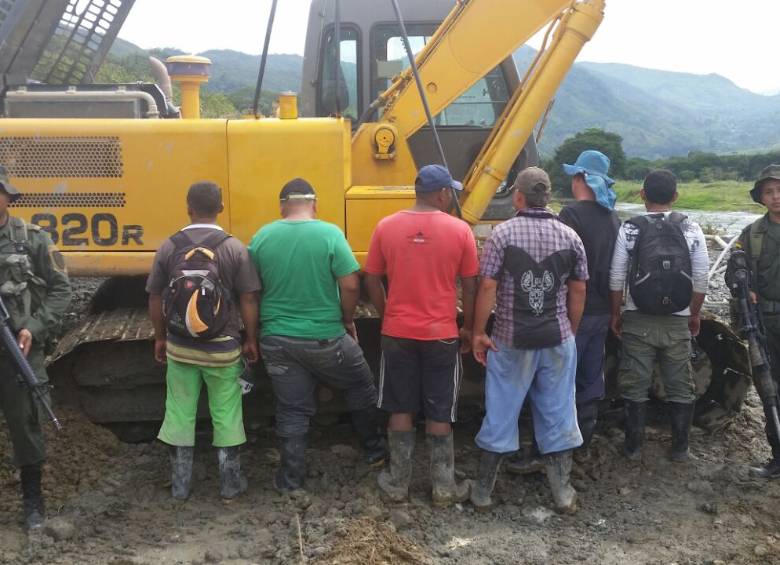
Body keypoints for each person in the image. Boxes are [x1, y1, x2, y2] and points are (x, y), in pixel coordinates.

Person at [249, 178, 386, 494]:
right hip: (326, 338)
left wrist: (253, 338)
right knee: (361, 385)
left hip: (277, 340)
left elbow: (250, 293)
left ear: (282, 205)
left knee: (292, 409)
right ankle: (375, 453)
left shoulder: (262, 237)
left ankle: (291, 480)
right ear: (315, 204)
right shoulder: (330, 233)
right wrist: (347, 319)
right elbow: (351, 284)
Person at [470, 166, 587, 514]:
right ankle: (563, 494)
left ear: (518, 197)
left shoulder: (502, 235)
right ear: (547, 197)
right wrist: (571, 330)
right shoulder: (571, 237)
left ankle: (482, 493)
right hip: (557, 338)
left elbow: (488, 286)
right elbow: (579, 289)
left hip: (511, 339)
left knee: (501, 409)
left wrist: (478, 332)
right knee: (559, 411)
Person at [365, 164, 477, 507]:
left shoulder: (385, 226)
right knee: (440, 409)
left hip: (397, 332)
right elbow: (470, 286)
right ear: (442, 193)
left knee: (400, 405)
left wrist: (388, 314)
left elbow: (371, 278)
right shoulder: (460, 230)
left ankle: (398, 484)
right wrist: (469, 327)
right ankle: (444, 488)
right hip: (441, 333)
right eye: (451, 192)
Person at [147, 181, 260, 500]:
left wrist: (160, 337)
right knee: (226, 413)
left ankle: (181, 486)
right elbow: (248, 298)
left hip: (181, 349)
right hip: (223, 350)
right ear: (221, 209)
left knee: (180, 412)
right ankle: (229, 484)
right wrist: (250, 339)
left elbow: (155, 297)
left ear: (188, 207)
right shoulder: (234, 247)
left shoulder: (169, 247)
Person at [609, 169, 709, 463]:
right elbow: (701, 276)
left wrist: (616, 312)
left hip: (638, 317)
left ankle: (634, 447)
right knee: (680, 383)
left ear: (642, 195)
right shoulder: (691, 228)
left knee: (635, 382)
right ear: (675, 197)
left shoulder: (630, 228)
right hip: (678, 319)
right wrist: (694, 314)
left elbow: (617, 277)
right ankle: (680, 448)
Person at [0, 165, 71, 529]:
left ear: (8, 197)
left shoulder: (31, 239)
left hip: (18, 351)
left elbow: (61, 290)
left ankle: (32, 503)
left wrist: (34, 326)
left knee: (27, 425)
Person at [559, 150, 620, 459]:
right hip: (603, 309)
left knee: (562, 376)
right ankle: (584, 442)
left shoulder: (570, 216)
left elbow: (562, 269)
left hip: (574, 311)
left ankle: (560, 443)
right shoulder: (613, 217)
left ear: (579, 178)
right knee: (591, 376)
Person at [734, 165, 780, 478]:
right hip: (767, 324)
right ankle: (778, 458)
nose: (776, 196)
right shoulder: (751, 235)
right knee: (770, 391)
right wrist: (740, 279)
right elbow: (733, 268)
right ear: (761, 198)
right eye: (769, 191)